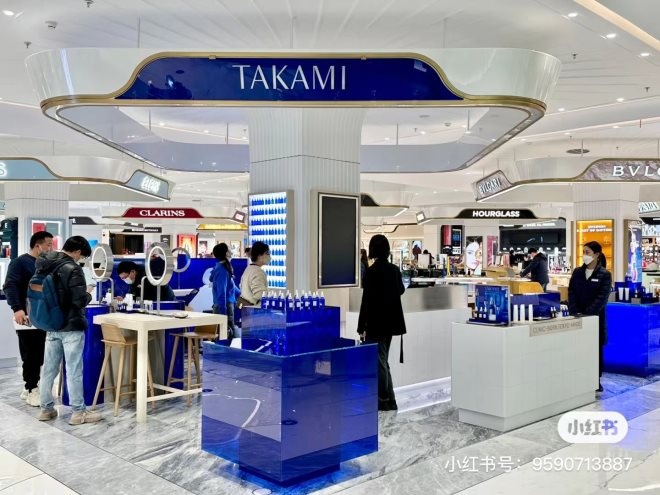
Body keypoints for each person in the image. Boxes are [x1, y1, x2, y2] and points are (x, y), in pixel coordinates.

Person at [37, 236, 102, 425]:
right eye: (82, 256)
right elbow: (79, 301)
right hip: (71, 326)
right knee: (74, 369)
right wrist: (88, 292)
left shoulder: (44, 263)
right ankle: (78, 412)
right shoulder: (72, 268)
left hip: (51, 324)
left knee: (49, 369)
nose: (80, 260)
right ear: (78, 252)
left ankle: (46, 409)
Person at [3, 231, 54, 406]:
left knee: (39, 353)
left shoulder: (45, 264)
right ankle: (32, 388)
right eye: (48, 245)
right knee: (29, 353)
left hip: (42, 316)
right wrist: (17, 309)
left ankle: (30, 386)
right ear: (38, 246)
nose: (51, 248)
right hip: (25, 315)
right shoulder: (20, 263)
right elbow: (10, 286)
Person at [357, 234, 406, 412]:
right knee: (383, 361)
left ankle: (383, 400)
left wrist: (361, 326)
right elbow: (401, 290)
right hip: (391, 323)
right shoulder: (394, 270)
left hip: (375, 323)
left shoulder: (371, 272)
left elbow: (366, 301)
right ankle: (390, 400)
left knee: (380, 362)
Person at [568, 241, 612, 393]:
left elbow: (602, 298)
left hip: (595, 320)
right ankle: (579, 379)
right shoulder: (577, 272)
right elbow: (571, 293)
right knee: (578, 350)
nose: (584, 255)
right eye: (583, 252)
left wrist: (588, 314)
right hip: (577, 318)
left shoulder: (605, 275)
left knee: (595, 351)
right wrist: (575, 311)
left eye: (587, 252)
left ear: (597, 254)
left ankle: (595, 380)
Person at [210, 243, 241, 337]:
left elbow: (232, 287)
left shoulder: (224, 268)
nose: (231, 252)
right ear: (226, 253)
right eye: (229, 249)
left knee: (228, 336)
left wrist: (243, 295)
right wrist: (223, 315)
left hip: (226, 306)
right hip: (224, 307)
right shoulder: (222, 270)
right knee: (226, 337)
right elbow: (221, 293)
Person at [239, 241, 269, 306]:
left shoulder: (249, 268)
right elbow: (260, 295)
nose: (269, 256)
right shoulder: (258, 272)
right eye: (267, 253)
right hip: (253, 309)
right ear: (260, 256)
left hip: (244, 306)